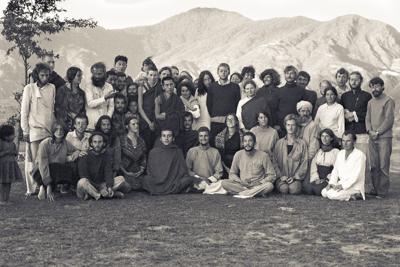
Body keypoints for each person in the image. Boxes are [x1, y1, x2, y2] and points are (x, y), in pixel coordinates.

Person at [205, 132, 276, 198]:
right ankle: (252, 193)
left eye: (250, 141)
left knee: (269, 186)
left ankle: (245, 194)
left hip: (257, 186)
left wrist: (260, 182)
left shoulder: (263, 155)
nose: (247, 143)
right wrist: (240, 181)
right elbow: (232, 174)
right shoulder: (238, 154)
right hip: (242, 185)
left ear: (255, 143)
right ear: (242, 143)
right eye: (245, 141)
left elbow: (272, 175)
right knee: (224, 183)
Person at [21, 63, 56, 195]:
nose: (45, 77)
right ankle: (37, 186)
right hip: (34, 130)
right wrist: (25, 130)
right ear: (37, 75)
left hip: (48, 130)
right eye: (42, 75)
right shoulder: (29, 88)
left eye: (47, 75)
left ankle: (45, 185)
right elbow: (24, 111)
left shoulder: (52, 87)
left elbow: (51, 110)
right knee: (35, 160)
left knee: (46, 160)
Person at [142, 128, 204, 195]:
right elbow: (150, 171)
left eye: (169, 136)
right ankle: (175, 189)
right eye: (164, 136)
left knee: (188, 179)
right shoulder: (153, 152)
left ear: (173, 138)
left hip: (173, 182)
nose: (166, 138)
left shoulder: (177, 151)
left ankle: (166, 189)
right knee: (145, 179)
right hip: (157, 182)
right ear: (160, 138)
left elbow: (182, 171)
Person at [340, 71, 372, 192]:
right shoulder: (344, 96)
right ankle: (349, 185)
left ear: (361, 81)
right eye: (351, 79)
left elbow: (369, 114)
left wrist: (354, 114)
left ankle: (365, 187)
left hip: (361, 132)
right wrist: (345, 113)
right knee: (349, 160)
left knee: (363, 160)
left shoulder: (367, 96)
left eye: (356, 79)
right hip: (348, 133)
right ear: (349, 80)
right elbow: (340, 111)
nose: (353, 82)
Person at [33, 122, 78, 201]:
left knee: (63, 167)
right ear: (53, 131)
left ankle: (48, 187)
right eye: (56, 129)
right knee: (54, 167)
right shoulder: (45, 143)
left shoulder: (65, 143)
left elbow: (76, 150)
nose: (59, 131)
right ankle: (44, 186)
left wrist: (71, 157)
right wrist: (48, 184)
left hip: (56, 171)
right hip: (41, 171)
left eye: (61, 129)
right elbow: (43, 164)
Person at [366, 77, 395, 198]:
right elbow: (367, 118)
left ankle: (382, 192)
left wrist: (377, 132)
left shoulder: (388, 100)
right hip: (372, 137)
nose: (375, 89)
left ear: (383, 87)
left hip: (384, 138)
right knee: (373, 165)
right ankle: (375, 189)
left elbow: (389, 120)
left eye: (377, 86)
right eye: (372, 86)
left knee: (383, 165)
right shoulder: (370, 102)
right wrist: (369, 131)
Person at [76, 132, 128, 200]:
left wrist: (109, 187)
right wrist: (100, 188)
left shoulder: (106, 156)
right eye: (95, 142)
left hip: (102, 185)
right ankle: (101, 195)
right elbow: (84, 176)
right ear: (91, 144)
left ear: (103, 143)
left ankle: (97, 195)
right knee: (82, 182)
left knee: (121, 179)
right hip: (89, 186)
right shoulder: (84, 156)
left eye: (100, 142)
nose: (97, 144)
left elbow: (108, 173)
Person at [321, 132, 366, 201]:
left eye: (348, 141)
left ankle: (356, 195)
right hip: (341, 183)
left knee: (333, 195)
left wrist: (343, 186)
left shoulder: (360, 155)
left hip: (354, 186)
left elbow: (356, 176)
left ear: (354, 142)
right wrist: (331, 183)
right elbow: (335, 171)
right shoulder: (340, 153)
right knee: (324, 192)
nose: (345, 143)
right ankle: (349, 196)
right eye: (343, 141)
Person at [274, 114, 308, 194]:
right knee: (284, 189)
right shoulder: (279, 143)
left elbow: (304, 162)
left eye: (293, 125)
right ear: (285, 126)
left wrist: (295, 177)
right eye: (288, 125)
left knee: (294, 189)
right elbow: (274, 161)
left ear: (296, 126)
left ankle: (296, 184)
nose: (290, 127)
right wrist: (281, 176)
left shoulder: (302, 143)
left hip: (295, 178)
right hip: (282, 177)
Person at [207, 63, 241, 144]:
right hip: (216, 122)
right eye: (221, 71)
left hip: (230, 122)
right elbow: (209, 104)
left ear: (229, 72)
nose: (223, 73)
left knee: (231, 144)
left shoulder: (235, 87)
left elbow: (237, 104)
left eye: (225, 71)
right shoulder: (212, 86)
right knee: (216, 144)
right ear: (218, 72)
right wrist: (215, 117)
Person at [304, 129, 339, 195]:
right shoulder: (319, 151)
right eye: (322, 136)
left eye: (327, 136)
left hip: (328, 178)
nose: (324, 138)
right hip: (318, 176)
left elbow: (336, 169)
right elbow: (314, 166)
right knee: (308, 189)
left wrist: (326, 179)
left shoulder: (335, 152)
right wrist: (316, 179)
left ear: (331, 138)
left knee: (317, 190)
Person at [137, 65, 162, 150]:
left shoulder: (160, 88)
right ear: (147, 75)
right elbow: (140, 108)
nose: (153, 77)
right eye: (151, 75)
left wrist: (155, 121)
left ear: (158, 76)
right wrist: (149, 123)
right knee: (145, 146)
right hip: (145, 120)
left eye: (155, 75)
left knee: (156, 146)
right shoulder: (141, 87)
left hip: (157, 120)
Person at [85, 62, 115, 130]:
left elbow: (111, 106)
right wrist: (105, 97)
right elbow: (90, 104)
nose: (97, 76)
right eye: (95, 74)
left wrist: (106, 120)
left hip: (105, 127)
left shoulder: (109, 86)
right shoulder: (88, 86)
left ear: (104, 73)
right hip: (91, 125)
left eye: (99, 74)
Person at [276, 65, 305, 134]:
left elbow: (303, 108)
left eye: (291, 73)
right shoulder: (279, 91)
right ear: (285, 75)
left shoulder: (301, 90)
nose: (289, 75)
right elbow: (275, 109)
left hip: (297, 125)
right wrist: (276, 124)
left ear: (295, 75)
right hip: (281, 125)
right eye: (287, 73)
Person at [120, 115, 147, 190]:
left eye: (137, 124)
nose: (136, 126)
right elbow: (118, 159)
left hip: (139, 174)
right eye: (133, 124)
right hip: (125, 173)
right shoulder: (122, 140)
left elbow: (144, 158)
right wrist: (126, 172)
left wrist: (141, 170)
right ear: (127, 126)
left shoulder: (141, 141)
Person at [0, 125, 22, 204]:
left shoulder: (13, 144)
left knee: (9, 182)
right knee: (3, 183)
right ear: (6, 136)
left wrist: (15, 153)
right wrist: (5, 152)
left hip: (10, 166)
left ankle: (6, 199)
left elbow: (15, 153)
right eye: (12, 134)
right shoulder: (1, 143)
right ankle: (2, 199)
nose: (14, 135)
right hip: (3, 167)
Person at [95, 115, 122, 180]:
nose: (106, 127)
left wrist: (114, 173)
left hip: (111, 170)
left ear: (111, 125)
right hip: (96, 170)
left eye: (108, 125)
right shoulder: (95, 136)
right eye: (103, 125)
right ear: (100, 126)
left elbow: (117, 157)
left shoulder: (115, 138)